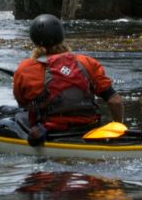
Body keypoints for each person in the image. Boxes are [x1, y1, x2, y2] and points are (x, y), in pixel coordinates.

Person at [14, 14, 123, 146]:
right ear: (61, 36)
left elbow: (22, 103)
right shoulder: (87, 62)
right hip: (89, 129)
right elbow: (115, 101)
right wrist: (118, 130)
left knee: (19, 116)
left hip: (50, 133)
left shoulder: (25, 68)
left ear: (34, 40)